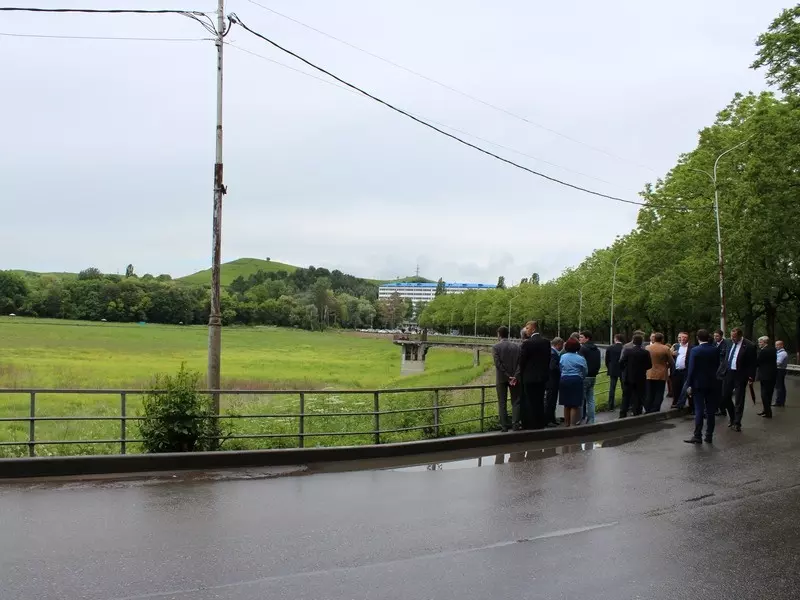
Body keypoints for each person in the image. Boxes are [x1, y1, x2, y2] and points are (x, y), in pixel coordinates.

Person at [683, 329, 719, 444]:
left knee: (699, 409)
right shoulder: (715, 349)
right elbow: (717, 365)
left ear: (698, 338)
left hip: (698, 384)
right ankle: (709, 435)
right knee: (710, 411)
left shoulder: (695, 350)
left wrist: (688, 384)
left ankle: (697, 435)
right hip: (712, 383)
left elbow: (691, 369)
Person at [515, 320, 551, 430]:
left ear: (533, 329)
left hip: (529, 377)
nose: (526, 330)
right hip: (542, 377)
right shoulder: (546, 342)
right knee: (540, 400)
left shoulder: (527, 343)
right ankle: (540, 423)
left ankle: (530, 424)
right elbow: (548, 359)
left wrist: (521, 373)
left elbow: (522, 361)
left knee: (529, 401)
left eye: (527, 328)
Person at [720, 327, 757, 432]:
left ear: (740, 336)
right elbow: (725, 356)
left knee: (739, 399)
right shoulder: (729, 342)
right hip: (728, 373)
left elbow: (753, 363)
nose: (732, 339)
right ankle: (732, 417)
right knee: (725, 397)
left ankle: (737, 422)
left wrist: (751, 376)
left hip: (741, 375)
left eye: (735, 337)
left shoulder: (749, 346)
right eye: (731, 336)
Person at [492, 326, 521, 431]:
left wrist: (507, 375)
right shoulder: (517, 347)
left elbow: (498, 364)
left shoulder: (496, 347)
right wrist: (515, 376)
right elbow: (520, 363)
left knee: (502, 402)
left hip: (501, 378)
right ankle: (515, 424)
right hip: (515, 378)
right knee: (516, 401)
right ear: (508, 334)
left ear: (499, 334)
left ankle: (504, 426)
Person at [619, 334, 652, 417]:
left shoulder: (628, 351)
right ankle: (637, 411)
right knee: (639, 394)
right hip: (640, 377)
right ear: (642, 342)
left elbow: (621, 362)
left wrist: (625, 370)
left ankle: (623, 413)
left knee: (626, 396)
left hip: (628, 376)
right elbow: (649, 365)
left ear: (633, 341)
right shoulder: (645, 352)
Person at [559, 337, 587, 427]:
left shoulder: (563, 357)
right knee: (574, 404)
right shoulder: (580, 358)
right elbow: (585, 371)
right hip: (576, 379)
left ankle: (566, 423)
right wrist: (581, 377)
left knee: (566, 404)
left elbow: (560, 368)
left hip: (564, 379)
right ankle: (572, 424)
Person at [645, 332, 674, 413]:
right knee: (659, 392)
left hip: (649, 372)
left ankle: (648, 408)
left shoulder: (647, 347)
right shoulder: (665, 348)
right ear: (662, 339)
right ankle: (656, 408)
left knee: (649, 392)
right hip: (661, 373)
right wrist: (666, 366)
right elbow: (671, 362)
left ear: (654, 339)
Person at [578, 331, 601, 424]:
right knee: (590, 399)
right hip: (593, 376)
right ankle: (591, 419)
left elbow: (580, 363)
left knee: (580, 400)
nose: (579, 339)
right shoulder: (597, 349)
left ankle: (579, 419)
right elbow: (598, 363)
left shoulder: (583, 349)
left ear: (587, 338)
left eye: (581, 337)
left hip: (584, 376)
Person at [756, 336, 777, 419]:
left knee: (764, 394)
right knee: (769, 394)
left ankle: (768, 412)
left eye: (760, 342)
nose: (759, 344)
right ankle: (765, 410)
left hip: (765, 375)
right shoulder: (773, 350)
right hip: (772, 375)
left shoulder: (763, 351)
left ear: (765, 342)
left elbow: (757, 362)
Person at [545, 337, 564, 427]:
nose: (562, 347)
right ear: (558, 344)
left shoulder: (552, 352)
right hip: (552, 381)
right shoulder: (553, 354)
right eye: (562, 345)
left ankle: (551, 419)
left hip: (551, 381)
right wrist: (561, 369)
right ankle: (549, 420)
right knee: (550, 401)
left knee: (552, 401)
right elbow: (552, 367)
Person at [671, 332, 691, 410]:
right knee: (676, 387)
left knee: (686, 389)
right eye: (681, 337)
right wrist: (672, 353)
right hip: (677, 371)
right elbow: (669, 355)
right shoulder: (676, 346)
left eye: (685, 337)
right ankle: (676, 403)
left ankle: (690, 406)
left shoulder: (691, 347)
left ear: (688, 339)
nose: (683, 339)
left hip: (686, 371)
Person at [605, 334, 624, 412]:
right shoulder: (624, 348)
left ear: (615, 339)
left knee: (612, 388)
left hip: (613, 369)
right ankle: (625, 404)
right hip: (622, 369)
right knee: (624, 387)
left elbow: (607, 360)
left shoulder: (610, 348)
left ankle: (610, 406)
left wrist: (609, 367)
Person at [713, 329, 729, 416]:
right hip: (715, 369)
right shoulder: (714, 344)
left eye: (717, 336)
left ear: (721, 336)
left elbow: (725, 359)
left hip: (722, 370)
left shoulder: (725, 344)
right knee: (716, 391)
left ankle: (722, 409)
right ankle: (718, 408)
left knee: (721, 391)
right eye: (714, 336)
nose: (715, 337)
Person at [774, 340, 788, 407]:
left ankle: (779, 402)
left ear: (782, 345)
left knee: (779, 386)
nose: (776, 346)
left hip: (780, 370)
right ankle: (780, 401)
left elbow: (778, 363)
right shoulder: (778, 352)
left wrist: (771, 363)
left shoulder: (782, 353)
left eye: (777, 345)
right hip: (780, 370)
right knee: (780, 386)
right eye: (775, 345)